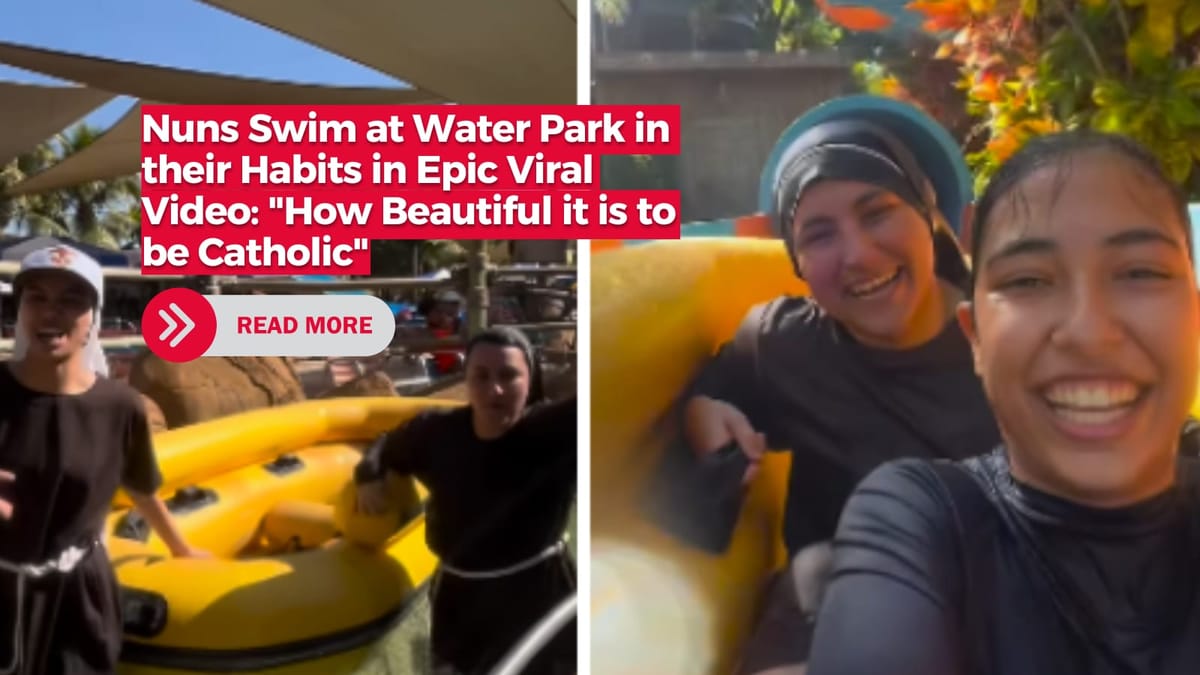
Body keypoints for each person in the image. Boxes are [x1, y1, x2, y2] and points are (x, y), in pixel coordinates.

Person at [806, 130, 1200, 674]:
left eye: (1140, 272)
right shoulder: (925, 522)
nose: (1089, 331)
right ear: (975, 339)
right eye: (1030, 280)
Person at [646, 104, 1003, 674]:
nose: (858, 255)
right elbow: (721, 389)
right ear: (797, 261)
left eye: (878, 211)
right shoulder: (783, 347)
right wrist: (703, 406)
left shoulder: (1015, 334)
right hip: (837, 604)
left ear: (927, 208)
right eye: (819, 234)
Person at [0, 245, 208, 675]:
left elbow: (140, 485)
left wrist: (182, 548)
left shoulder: (120, 406)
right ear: (21, 310)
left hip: (79, 598)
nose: (50, 312)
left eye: (70, 300)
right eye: (36, 297)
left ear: (93, 315)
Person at [354, 326, 577, 675]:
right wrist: (369, 474)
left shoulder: (555, 432)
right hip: (459, 598)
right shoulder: (437, 432)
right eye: (482, 376)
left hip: (538, 595)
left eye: (509, 375)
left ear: (530, 380)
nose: (495, 389)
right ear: (467, 378)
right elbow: (388, 444)